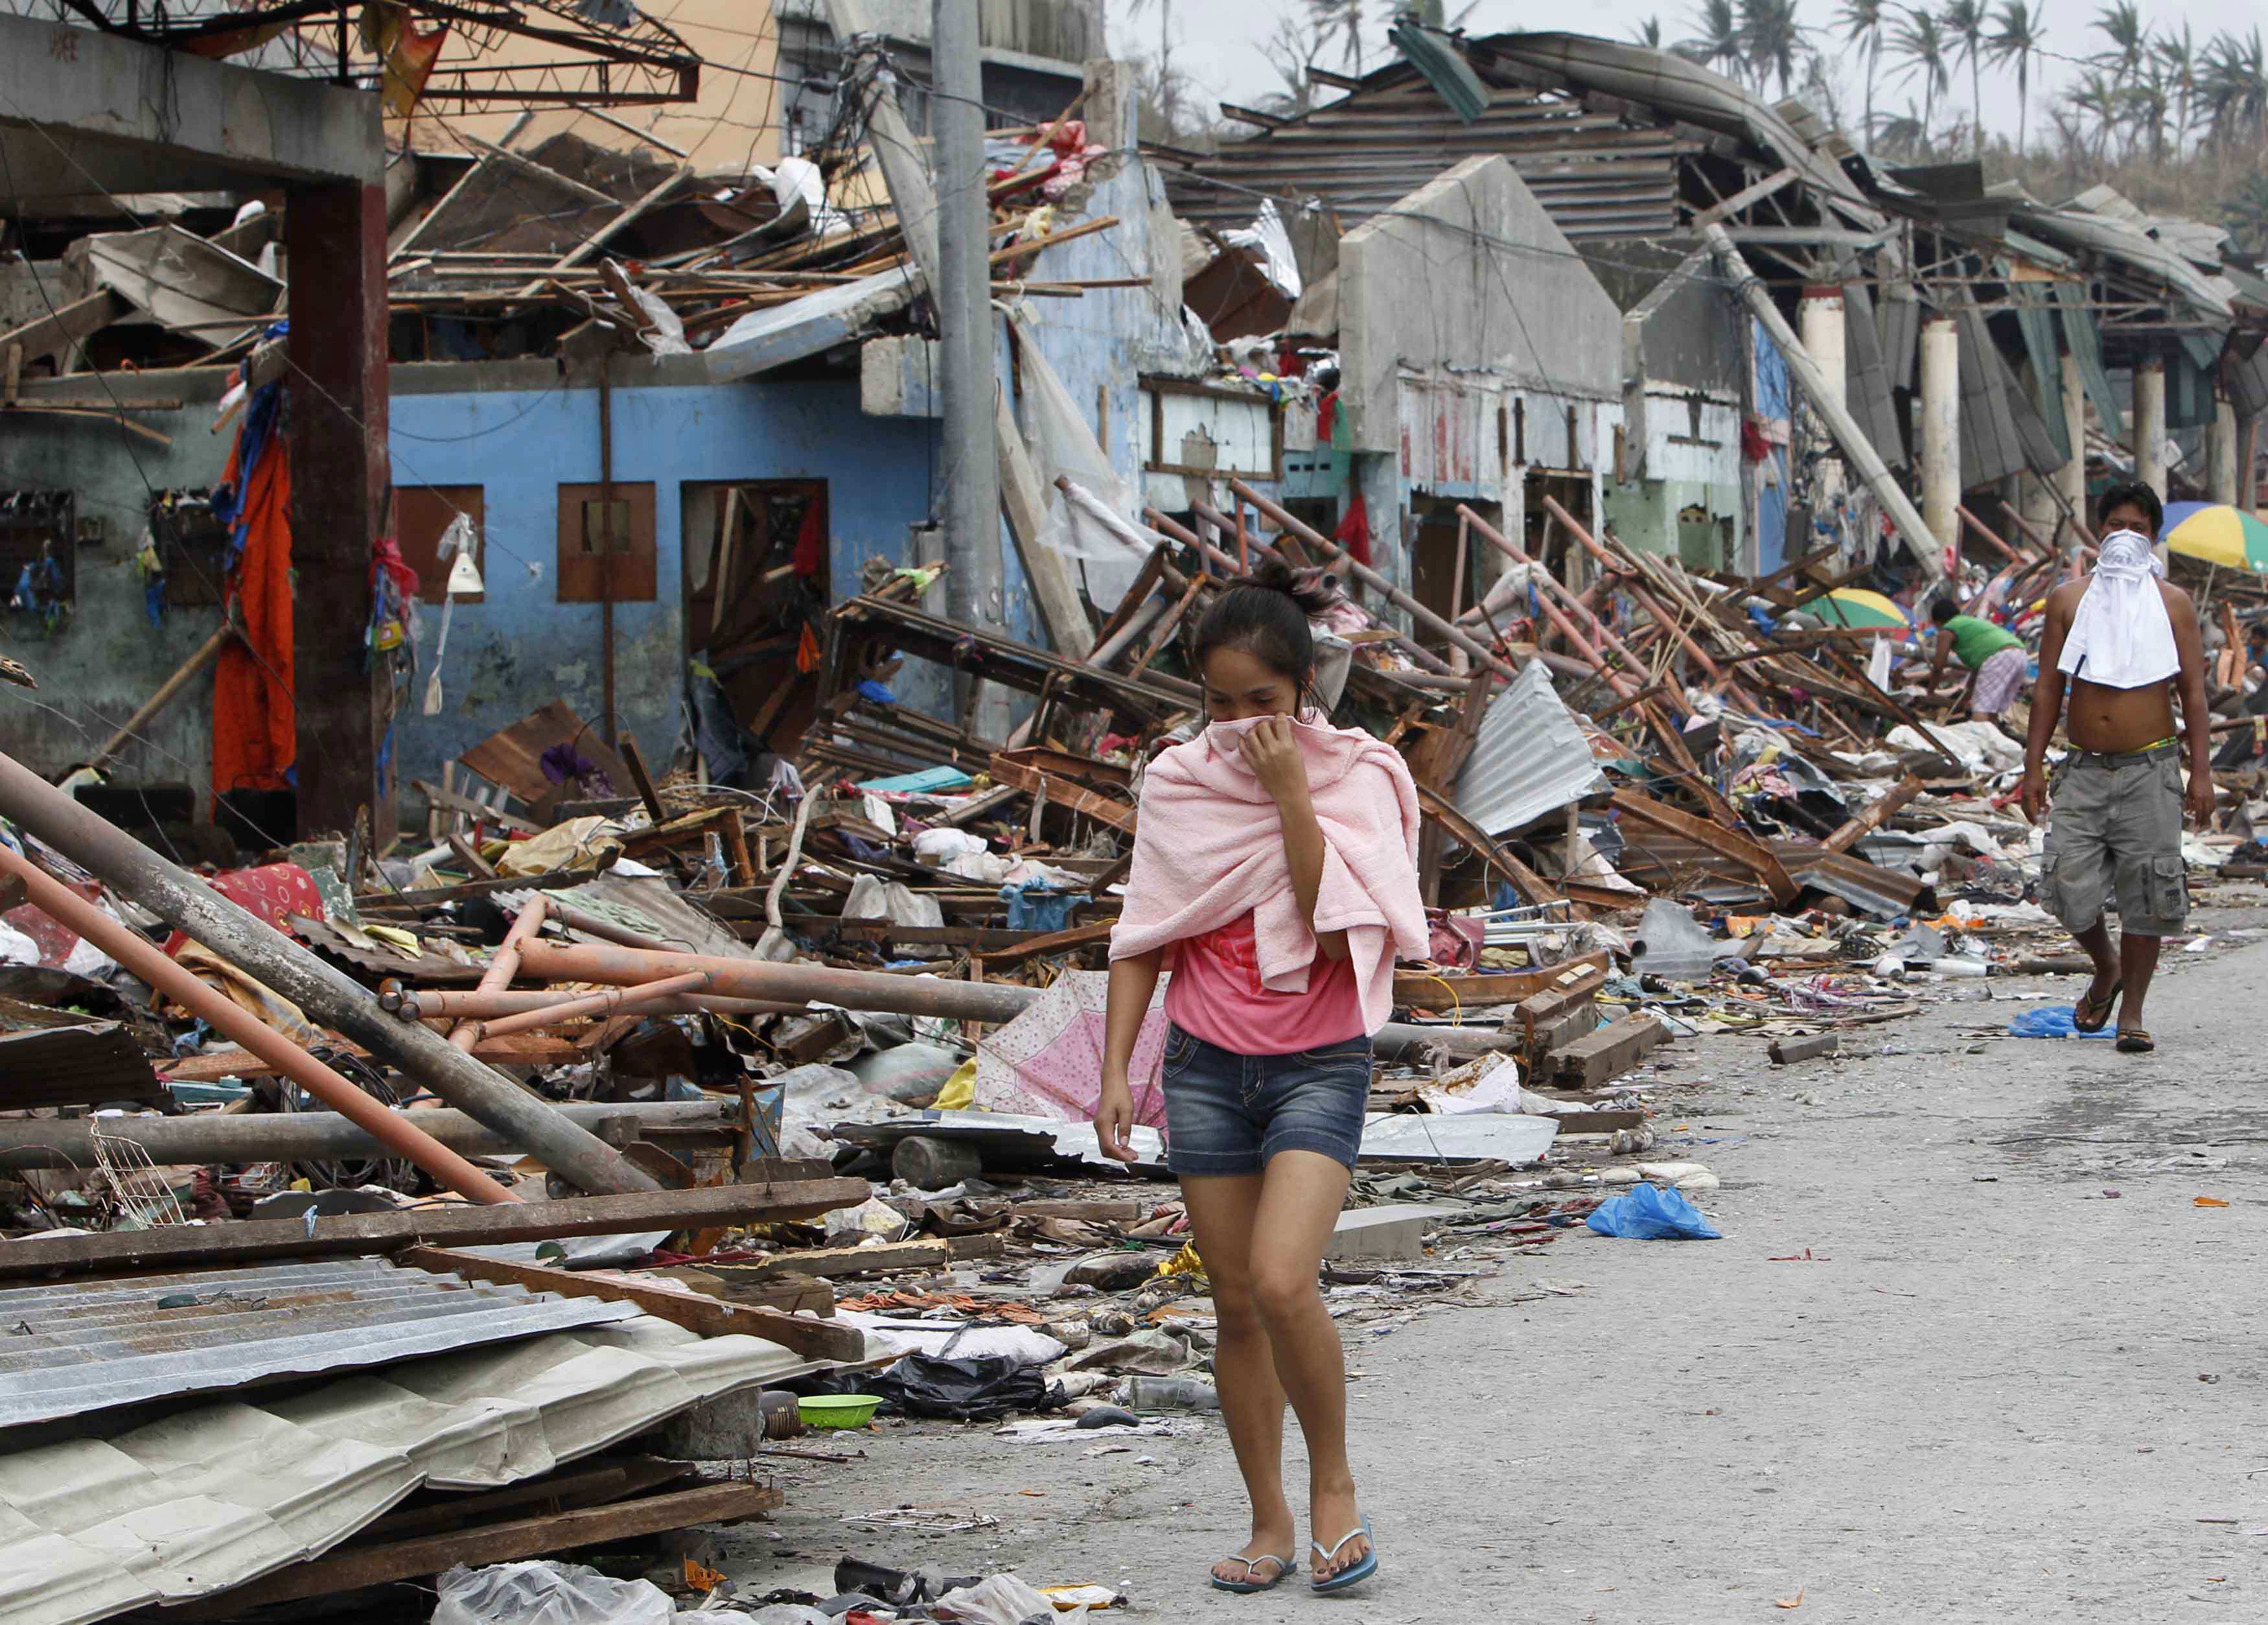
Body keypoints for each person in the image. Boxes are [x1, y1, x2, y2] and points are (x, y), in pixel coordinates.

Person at [1095, 561, 1426, 1598]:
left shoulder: (1355, 777)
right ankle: (1268, 1517)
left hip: (1316, 1062)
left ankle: (1334, 1487)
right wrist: (1116, 1067)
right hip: (1202, 1065)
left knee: (1286, 1279)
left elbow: (1336, 929)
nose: (1242, 724)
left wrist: (1291, 793)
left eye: (1266, 704)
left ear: (1305, 691)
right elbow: (1147, 929)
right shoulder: (1180, 780)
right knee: (1235, 1302)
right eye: (1223, 703)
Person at [2019, 482, 2217, 1053]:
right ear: (2098, 531)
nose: (2125, 536)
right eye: (2115, 525)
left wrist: (2200, 773)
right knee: (2063, 881)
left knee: (2150, 890)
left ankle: (2130, 1013)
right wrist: (2032, 767)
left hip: (2150, 768)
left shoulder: (2174, 602)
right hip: (2082, 769)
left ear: (2152, 536)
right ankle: (2107, 965)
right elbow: (2048, 690)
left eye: (2137, 527)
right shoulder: (2067, 600)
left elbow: (2195, 695)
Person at [1925, 598, 2029, 720]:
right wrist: (1965, 698)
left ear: (1938, 621)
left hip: (2000, 656)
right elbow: (1978, 670)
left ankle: (1980, 738)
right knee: (1992, 711)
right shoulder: (1968, 623)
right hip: (2020, 655)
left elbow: (1938, 666)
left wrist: (1930, 692)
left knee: (1981, 709)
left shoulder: (1947, 629)